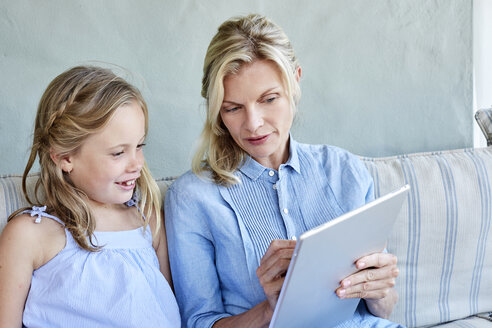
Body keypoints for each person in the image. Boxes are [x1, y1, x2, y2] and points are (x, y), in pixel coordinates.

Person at [165, 14, 402, 328]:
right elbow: (199, 321)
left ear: (295, 80)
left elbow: (382, 312)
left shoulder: (345, 171)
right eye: (233, 107)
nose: (253, 123)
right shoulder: (193, 198)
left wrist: (379, 290)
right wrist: (270, 310)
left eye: (269, 99)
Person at [0, 66, 180, 328]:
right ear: (65, 158)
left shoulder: (148, 221)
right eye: (118, 153)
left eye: (139, 146)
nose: (136, 164)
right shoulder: (30, 235)